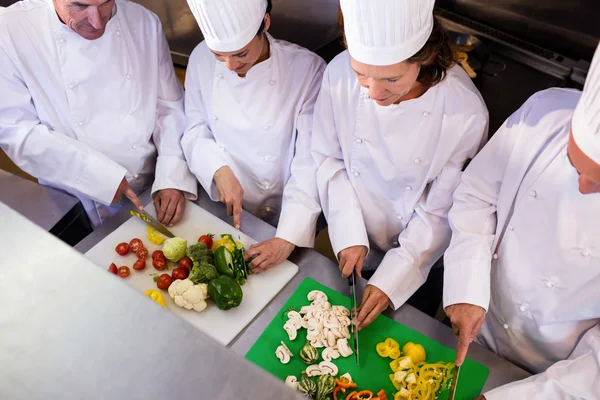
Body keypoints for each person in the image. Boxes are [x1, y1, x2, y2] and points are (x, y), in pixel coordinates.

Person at [311, 0, 489, 329]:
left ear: (425, 58)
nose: (375, 93)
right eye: (361, 75)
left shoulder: (464, 112)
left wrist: (395, 277)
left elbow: (441, 211)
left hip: (421, 254)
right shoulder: (337, 73)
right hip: (353, 235)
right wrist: (347, 228)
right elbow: (327, 157)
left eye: (391, 79)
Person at [444, 43, 600, 399]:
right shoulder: (548, 111)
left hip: (556, 374)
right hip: (482, 320)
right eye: (575, 164)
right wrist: (467, 288)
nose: (581, 185)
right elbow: (477, 195)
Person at [0, 0, 197, 228]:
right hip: (76, 196)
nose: (97, 21)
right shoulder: (11, 30)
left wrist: (171, 174)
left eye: (106, 3)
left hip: (151, 184)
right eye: (80, 6)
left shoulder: (144, 22)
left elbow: (169, 106)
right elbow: (16, 132)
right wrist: (98, 177)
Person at [182, 0, 324, 272]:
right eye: (219, 55)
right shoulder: (200, 57)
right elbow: (194, 127)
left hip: (285, 209)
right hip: (219, 205)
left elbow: (311, 160)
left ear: (265, 24)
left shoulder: (307, 70)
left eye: (241, 54)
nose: (230, 66)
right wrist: (218, 169)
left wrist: (288, 236)